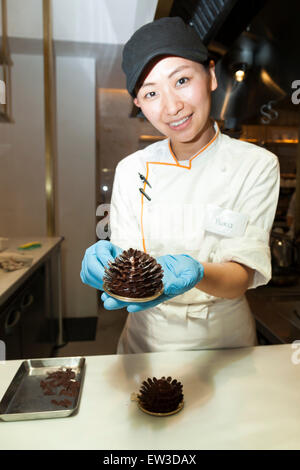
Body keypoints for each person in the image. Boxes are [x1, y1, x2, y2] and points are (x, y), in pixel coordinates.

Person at [81, 17, 280, 353]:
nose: (172, 107)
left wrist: (199, 272)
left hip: (223, 340)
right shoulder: (132, 169)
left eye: (183, 80)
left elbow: (242, 277)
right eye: (151, 93)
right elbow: (127, 259)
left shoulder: (256, 166)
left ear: (212, 76)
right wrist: (107, 267)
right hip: (146, 337)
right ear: (139, 104)